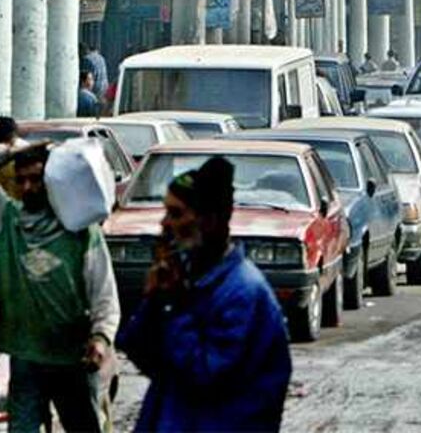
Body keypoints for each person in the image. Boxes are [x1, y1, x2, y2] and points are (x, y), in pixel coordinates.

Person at [118, 157, 292, 431]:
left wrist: (174, 307)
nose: (164, 225)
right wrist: (155, 301)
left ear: (209, 222)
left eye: (176, 214)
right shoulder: (189, 281)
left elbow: (204, 375)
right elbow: (143, 354)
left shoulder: (242, 293)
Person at [0, 138, 120, 432]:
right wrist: (12, 151)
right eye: (21, 180)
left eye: (35, 179)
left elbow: (104, 293)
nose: (27, 188)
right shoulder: (5, 220)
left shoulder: (80, 230)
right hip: (25, 355)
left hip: (73, 357)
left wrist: (101, 337)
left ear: (50, 181)